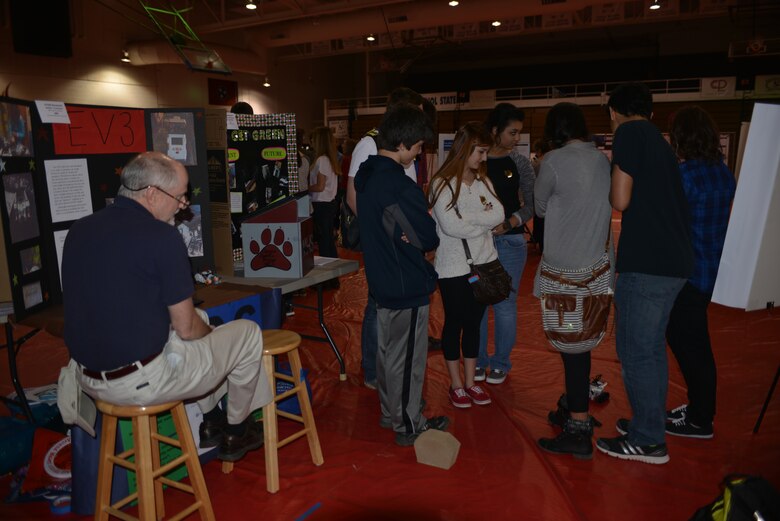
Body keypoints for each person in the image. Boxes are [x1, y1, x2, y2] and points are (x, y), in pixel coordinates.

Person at [61, 152, 273, 462]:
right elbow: (187, 330)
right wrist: (211, 333)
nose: (182, 205)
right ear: (151, 193)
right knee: (247, 334)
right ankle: (237, 430)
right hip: (138, 384)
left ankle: (212, 418)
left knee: (199, 318)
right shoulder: (162, 236)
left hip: (88, 378)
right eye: (180, 197)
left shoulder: (79, 230)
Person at [596, 82, 694, 465]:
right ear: (651, 112)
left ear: (613, 113)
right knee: (649, 349)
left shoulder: (629, 133)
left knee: (636, 351)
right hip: (672, 262)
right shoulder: (658, 140)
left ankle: (649, 439)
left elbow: (620, 199)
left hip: (648, 264)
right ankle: (647, 424)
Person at [354, 102, 449, 446]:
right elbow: (426, 235)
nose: (420, 153)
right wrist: (417, 236)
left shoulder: (367, 174)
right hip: (403, 280)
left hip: (381, 276)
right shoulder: (397, 185)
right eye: (420, 146)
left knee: (387, 353)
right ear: (405, 144)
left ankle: (390, 410)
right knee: (407, 357)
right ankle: (409, 422)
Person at [533, 103, 613, 459]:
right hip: (596, 267)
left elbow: (541, 207)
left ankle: (578, 426)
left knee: (573, 348)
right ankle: (573, 405)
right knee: (582, 343)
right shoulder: (600, 160)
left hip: (565, 272)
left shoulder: (553, 161)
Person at [346, 87, 430, 389]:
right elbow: (356, 197)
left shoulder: (406, 150)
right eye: (416, 112)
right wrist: (385, 233)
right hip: (384, 241)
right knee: (376, 306)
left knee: (389, 308)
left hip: (400, 238)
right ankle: (373, 368)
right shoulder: (369, 145)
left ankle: (388, 370)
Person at [664, 106, 736, 439]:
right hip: (710, 270)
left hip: (687, 274)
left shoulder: (684, 177)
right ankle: (699, 408)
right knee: (695, 344)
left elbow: (670, 225)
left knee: (691, 348)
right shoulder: (723, 172)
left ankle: (699, 418)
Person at [428, 122, 504, 408]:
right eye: (480, 151)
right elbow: (449, 227)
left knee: (475, 324)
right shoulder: (441, 183)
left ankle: (471, 383)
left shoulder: (484, 181)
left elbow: (498, 212)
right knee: (454, 323)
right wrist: (480, 223)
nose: (484, 158)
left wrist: (469, 220)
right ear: (465, 149)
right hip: (452, 269)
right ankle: (456, 385)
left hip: (484, 265)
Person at [476, 103, 535, 385]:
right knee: (478, 303)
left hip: (510, 242)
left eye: (519, 133)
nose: (516, 139)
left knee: (504, 305)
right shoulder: (476, 160)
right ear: (495, 130)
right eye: (512, 132)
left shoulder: (520, 163)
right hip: (477, 243)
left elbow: (532, 206)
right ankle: (477, 360)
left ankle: (500, 362)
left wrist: (511, 222)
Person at [308, 126, 341, 261]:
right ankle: (332, 271)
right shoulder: (329, 159)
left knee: (324, 241)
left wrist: (305, 188)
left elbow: (320, 186)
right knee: (327, 240)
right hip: (328, 204)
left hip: (322, 204)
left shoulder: (322, 160)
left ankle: (329, 272)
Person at [530, 138, 551, 252]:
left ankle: (537, 240)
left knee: (538, 219)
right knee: (545, 221)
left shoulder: (536, 163)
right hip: (549, 196)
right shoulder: (551, 161)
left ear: (539, 150)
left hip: (538, 194)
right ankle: (542, 243)